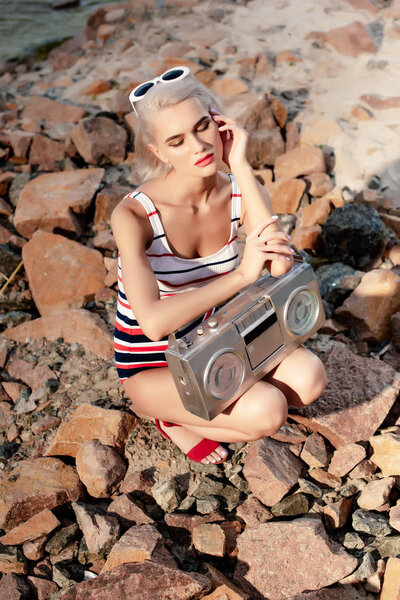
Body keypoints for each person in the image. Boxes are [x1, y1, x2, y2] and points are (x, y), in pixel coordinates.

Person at [111, 66, 327, 466]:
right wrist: (243, 276)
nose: (197, 146)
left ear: (218, 121)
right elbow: (154, 324)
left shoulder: (235, 190)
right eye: (177, 141)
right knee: (268, 412)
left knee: (311, 379)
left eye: (201, 127)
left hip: (217, 338)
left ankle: (223, 399)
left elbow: (280, 266)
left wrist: (241, 167)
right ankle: (171, 420)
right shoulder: (133, 216)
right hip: (154, 364)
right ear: (158, 151)